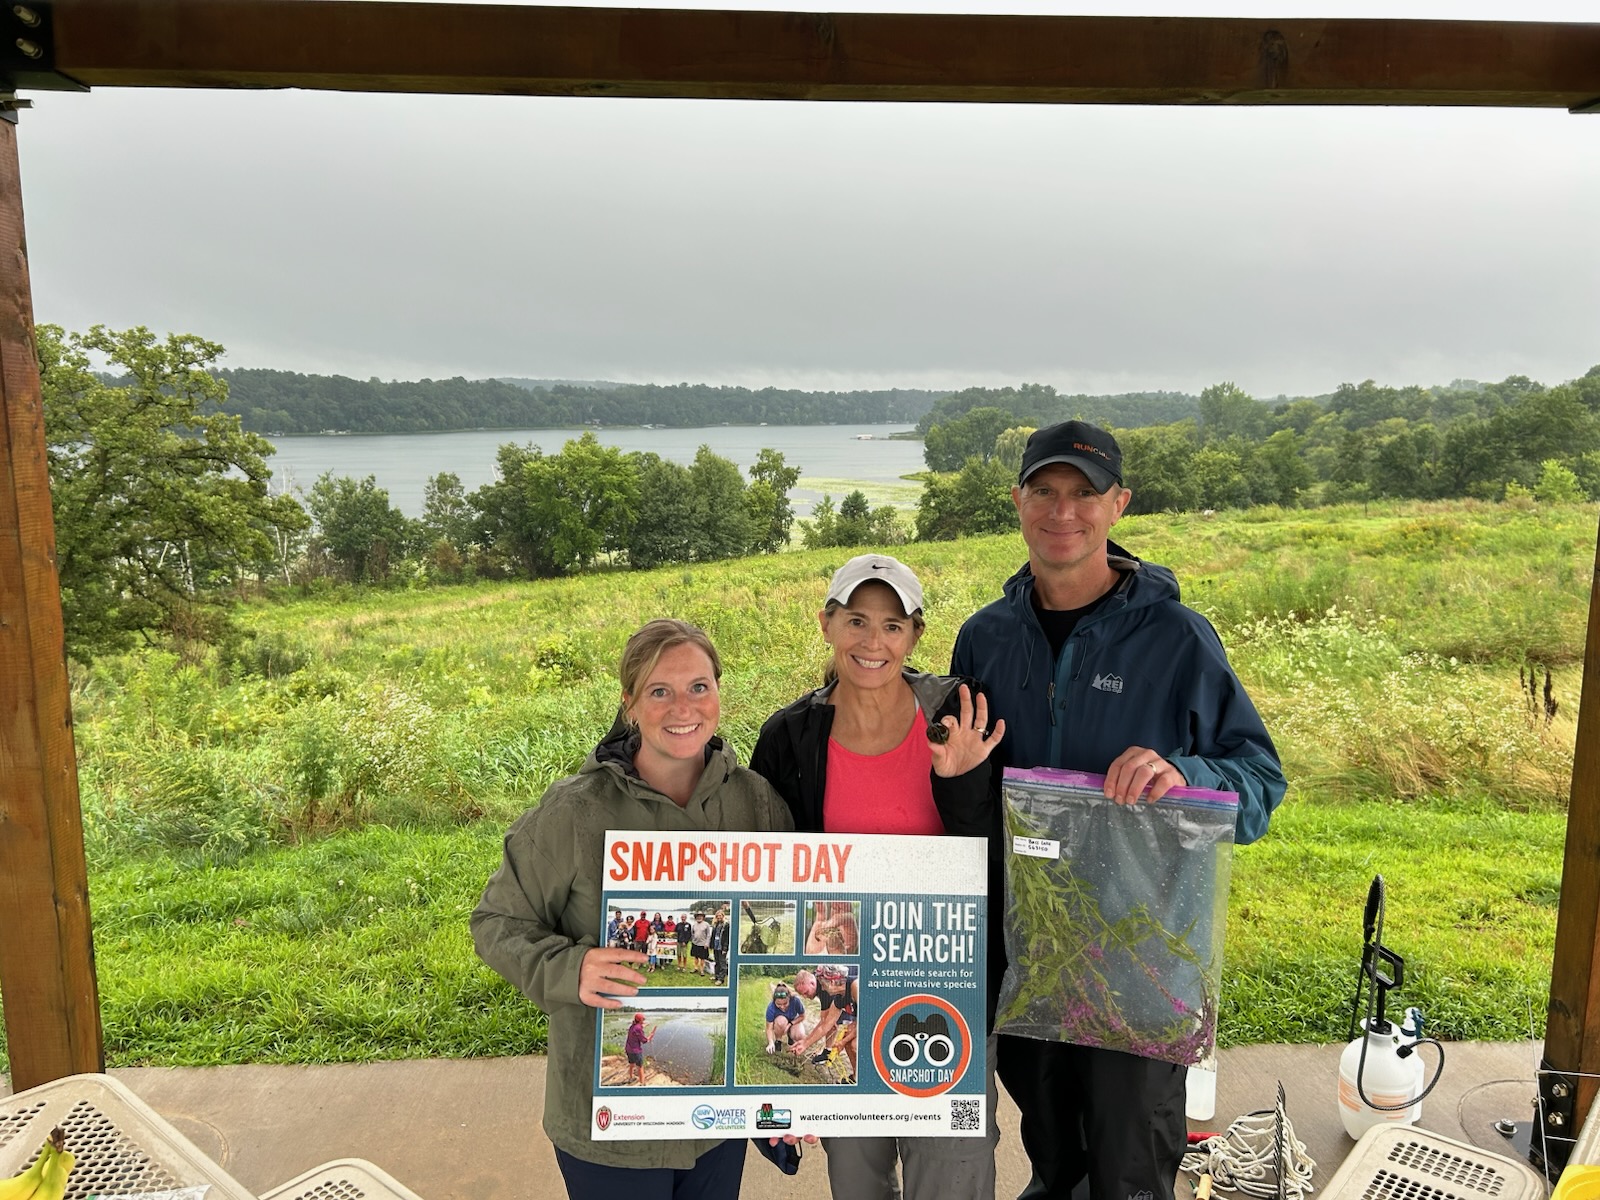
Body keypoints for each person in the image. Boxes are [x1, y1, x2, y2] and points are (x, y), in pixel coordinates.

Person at [950, 420, 1287, 1200]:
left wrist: (1184, 771)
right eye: (1045, 491)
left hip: (1141, 967)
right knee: (1055, 1159)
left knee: (1131, 1171)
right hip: (1030, 960)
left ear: (1118, 505)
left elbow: (1260, 779)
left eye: (1084, 493)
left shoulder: (1176, 637)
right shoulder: (985, 639)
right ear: (1018, 500)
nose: (1062, 511)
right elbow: (967, 787)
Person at [471, 617, 794, 1200]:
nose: (683, 708)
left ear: (719, 691)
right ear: (630, 704)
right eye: (659, 691)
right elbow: (496, 922)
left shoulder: (756, 802)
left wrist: (789, 1107)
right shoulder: (575, 810)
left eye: (699, 686)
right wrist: (571, 968)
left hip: (715, 1125)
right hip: (609, 1128)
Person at [749, 553, 1006, 1200]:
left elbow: (990, 862)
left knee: (954, 1172)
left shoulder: (958, 715)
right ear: (827, 624)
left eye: (893, 625)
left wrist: (963, 782)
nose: (874, 642)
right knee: (856, 1175)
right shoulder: (788, 737)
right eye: (857, 620)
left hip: (947, 984)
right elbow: (770, 880)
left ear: (915, 635)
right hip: (841, 992)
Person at [791, 965, 859, 1084]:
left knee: (853, 1043)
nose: (822, 989)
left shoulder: (855, 986)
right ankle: (856, 1078)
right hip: (863, 1022)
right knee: (848, 1040)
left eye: (822, 985)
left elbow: (866, 1020)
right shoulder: (839, 998)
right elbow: (825, 1025)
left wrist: (843, 1041)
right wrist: (805, 1044)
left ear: (832, 982)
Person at [764, 977, 807, 1053]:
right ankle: (778, 1041)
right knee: (781, 1021)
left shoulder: (796, 1001)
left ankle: (791, 1037)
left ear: (789, 998)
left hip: (793, 1021)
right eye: (779, 1004)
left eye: (785, 1003)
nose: (782, 1006)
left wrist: (790, 1024)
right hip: (780, 1022)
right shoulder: (771, 1007)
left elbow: (802, 1016)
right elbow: (769, 1028)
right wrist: (770, 1042)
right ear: (774, 1001)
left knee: (800, 1034)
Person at [626, 1013, 656, 1084]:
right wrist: (650, 1036)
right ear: (640, 1020)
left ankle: (630, 1078)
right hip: (635, 1051)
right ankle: (642, 1083)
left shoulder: (632, 1026)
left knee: (631, 1064)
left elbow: (639, 1027)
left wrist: (645, 1025)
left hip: (628, 1049)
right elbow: (644, 1041)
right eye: (643, 1019)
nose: (644, 1020)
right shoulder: (638, 1029)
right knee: (640, 1067)